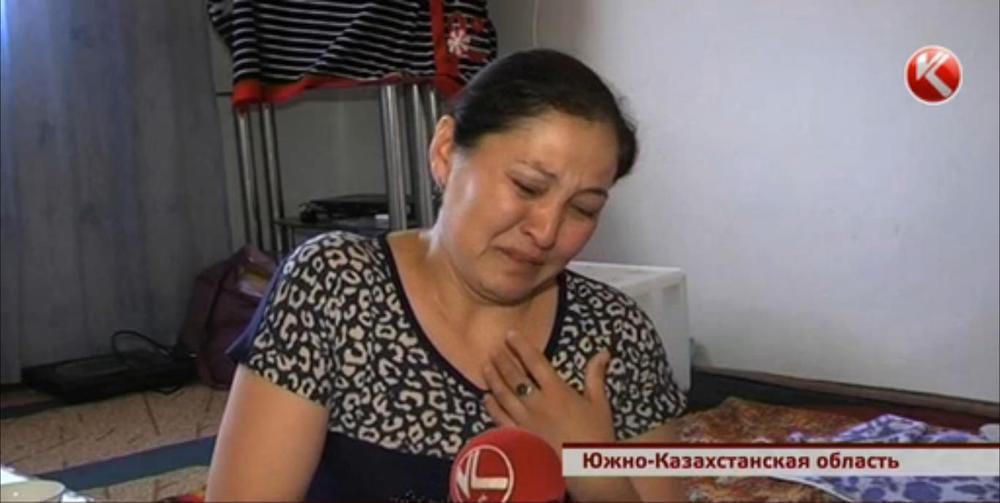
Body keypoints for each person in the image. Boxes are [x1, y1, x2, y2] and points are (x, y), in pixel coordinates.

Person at [206, 49, 687, 502]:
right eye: (527, 186)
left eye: (582, 209)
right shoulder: (334, 286)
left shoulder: (614, 334)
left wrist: (595, 474)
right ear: (444, 151)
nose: (546, 232)